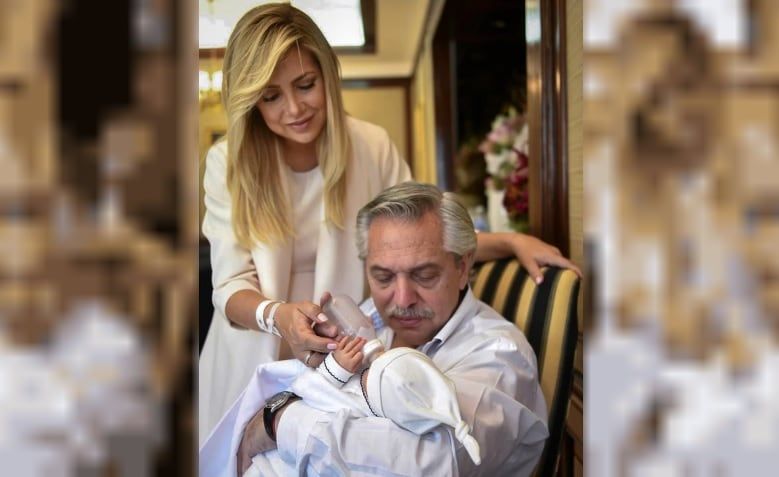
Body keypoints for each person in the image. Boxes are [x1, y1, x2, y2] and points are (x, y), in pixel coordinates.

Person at [199, 2, 579, 443]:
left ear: (327, 74)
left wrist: (511, 242)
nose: (294, 108)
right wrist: (278, 316)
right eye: (271, 96)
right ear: (251, 102)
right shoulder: (227, 162)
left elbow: (424, 235)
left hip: (341, 357)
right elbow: (228, 287)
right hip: (253, 350)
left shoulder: (370, 145)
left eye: (306, 85)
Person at [200, 182, 549, 477]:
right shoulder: (369, 318)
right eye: (382, 277)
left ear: (462, 266)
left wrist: (278, 422)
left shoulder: (498, 355)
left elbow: (430, 464)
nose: (402, 298)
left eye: (424, 275)